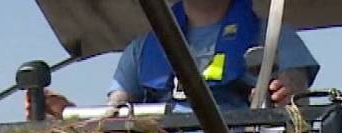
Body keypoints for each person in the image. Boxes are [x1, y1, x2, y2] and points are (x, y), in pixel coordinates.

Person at [31, 0, 321, 119]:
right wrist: (66, 112)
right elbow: (113, 118)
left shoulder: (273, 36)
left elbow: (298, 91)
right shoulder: (141, 50)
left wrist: (290, 91)